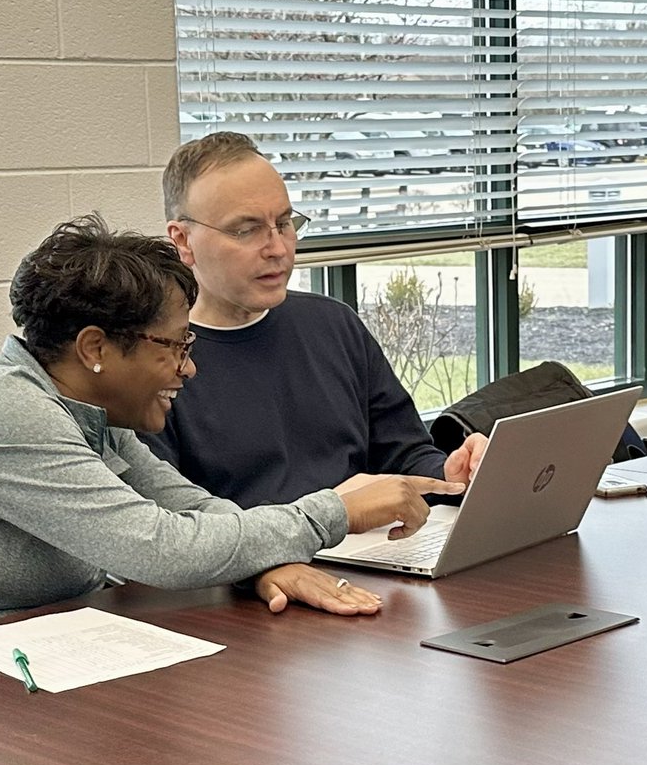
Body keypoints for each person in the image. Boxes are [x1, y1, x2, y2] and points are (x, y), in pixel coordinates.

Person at [0, 215, 463, 681]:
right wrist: (335, 511)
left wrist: (260, 564)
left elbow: (193, 512)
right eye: (175, 347)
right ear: (96, 347)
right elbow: (159, 548)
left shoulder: (83, 412)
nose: (188, 369)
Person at [139, 131, 487, 509]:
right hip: (258, 563)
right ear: (183, 240)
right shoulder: (153, 360)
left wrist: (449, 473)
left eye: (285, 223)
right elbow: (176, 525)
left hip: (377, 554)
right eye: (246, 230)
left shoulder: (333, 324)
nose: (277, 248)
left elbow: (404, 455)